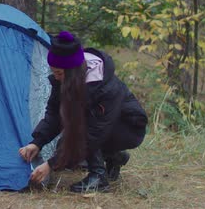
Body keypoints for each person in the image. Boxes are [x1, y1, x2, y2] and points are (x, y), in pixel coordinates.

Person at [19, 31, 147, 193]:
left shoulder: (104, 88)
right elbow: (55, 113)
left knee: (78, 136)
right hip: (102, 127)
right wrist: (37, 142)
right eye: (54, 72)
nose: (56, 77)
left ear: (73, 71)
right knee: (64, 146)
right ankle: (114, 157)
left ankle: (99, 178)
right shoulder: (66, 79)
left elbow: (93, 133)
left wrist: (51, 164)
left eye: (59, 73)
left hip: (128, 128)